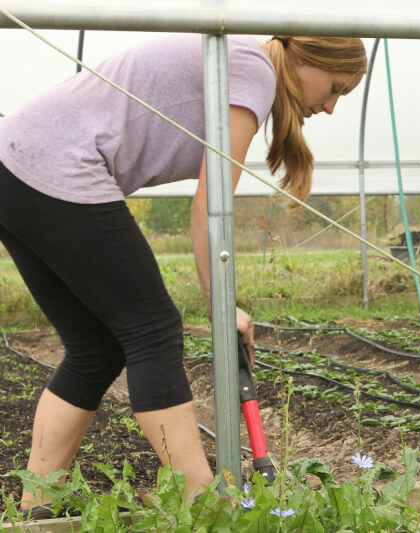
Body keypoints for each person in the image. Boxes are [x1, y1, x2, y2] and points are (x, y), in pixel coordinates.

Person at [0, 33, 367, 517]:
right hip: (56, 163)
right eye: (336, 87)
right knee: (153, 330)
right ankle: (208, 509)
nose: (332, 106)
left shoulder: (239, 62)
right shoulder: (254, 70)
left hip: (16, 165)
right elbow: (211, 202)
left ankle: (36, 510)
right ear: (303, 58)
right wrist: (220, 304)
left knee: (95, 348)